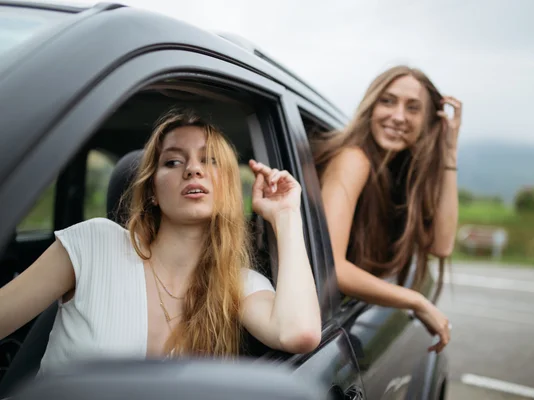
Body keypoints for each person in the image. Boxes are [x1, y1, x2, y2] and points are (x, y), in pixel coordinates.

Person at [0, 107, 322, 375]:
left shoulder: (239, 284)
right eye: (173, 162)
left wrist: (286, 216)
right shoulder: (93, 244)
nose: (193, 169)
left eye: (209, 160)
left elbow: (299, 333)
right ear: (152, 190)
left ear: (228, 189)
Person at [311, 66, 461, 353]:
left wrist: (449, 151)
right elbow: (333, 268)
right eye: (388, 101)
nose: (398, 116)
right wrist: (415, 300)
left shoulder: (399, 177)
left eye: (413, 108)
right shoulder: (353, 159)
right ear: (371, 106)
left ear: (430, 122)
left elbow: (441, 245)